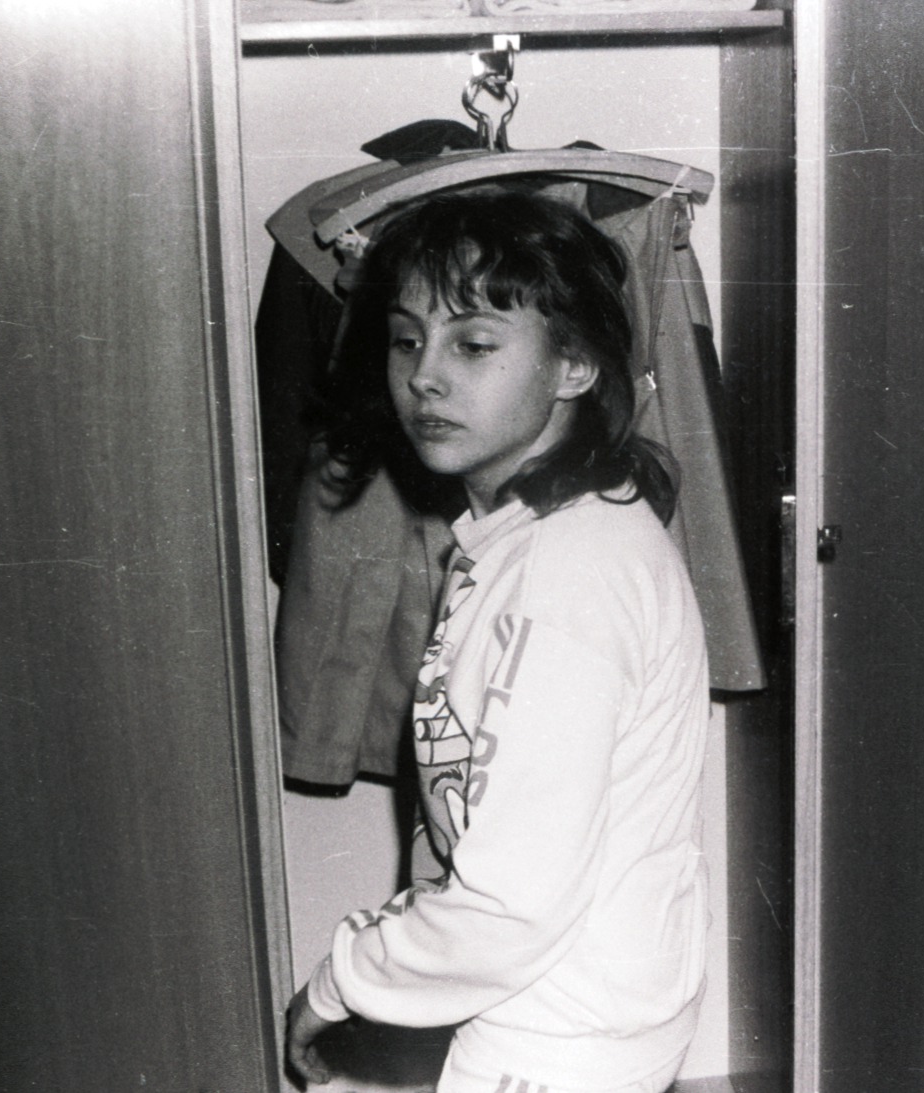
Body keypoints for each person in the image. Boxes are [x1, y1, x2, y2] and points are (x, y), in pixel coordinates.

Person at [284, 187, 712, 1093]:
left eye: (473, 343)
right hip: (555, 1008)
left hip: (556, 1033)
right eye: (408, 339)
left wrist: (341, 982)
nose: (425, 376)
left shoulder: (566, 575)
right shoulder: (533, 536)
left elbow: (509, 905)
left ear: (575, 367)